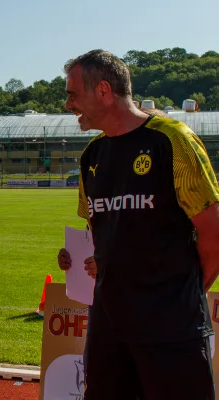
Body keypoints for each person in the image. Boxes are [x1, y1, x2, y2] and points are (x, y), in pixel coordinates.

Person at [57, 49, 219, 400]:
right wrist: (77, 257)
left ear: (103, 90)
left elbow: (213, 235)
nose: (68, 104)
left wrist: (181, 296)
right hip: (109, 326)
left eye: (73, 94)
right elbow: (105, 236)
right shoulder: (92, 155)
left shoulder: (172, 140)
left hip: (171, 329)